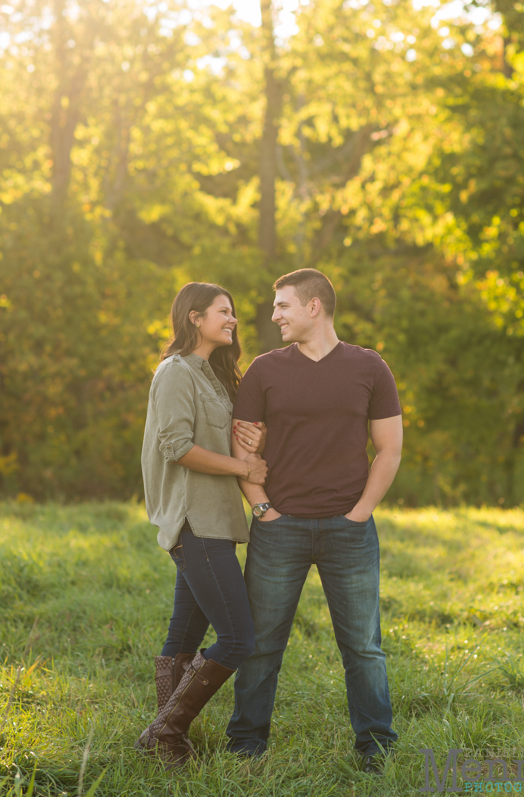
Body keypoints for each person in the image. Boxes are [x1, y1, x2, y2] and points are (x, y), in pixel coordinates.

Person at [226, 268, 403, 775]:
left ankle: (376, 748)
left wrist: (360, 513)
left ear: (313, 307)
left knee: (363, 646)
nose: (274, 314)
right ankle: (246, 743)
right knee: (261, 645)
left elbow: (389, 449)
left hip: (350, 530)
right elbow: (242, 448)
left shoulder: (369, 368)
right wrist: (263, 508)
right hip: (278, 529)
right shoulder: (264, 370)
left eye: (282, 305)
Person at [135, 282, 267, 767]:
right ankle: (164, 729)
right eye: (223, 312)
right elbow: (177, 447)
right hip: (194, 521)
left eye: (233, 313)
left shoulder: (211, 374)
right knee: (238, 638)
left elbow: (222, 437)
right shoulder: (174, 372)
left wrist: (251, 439)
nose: (232, 320)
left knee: (183, 637)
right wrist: (244, 469)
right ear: (194, 317)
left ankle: (167, 742)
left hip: (214, 520)